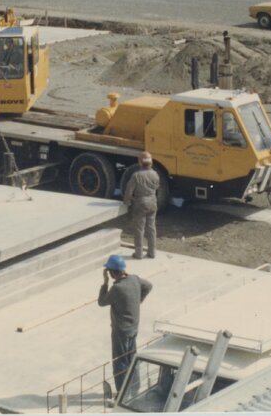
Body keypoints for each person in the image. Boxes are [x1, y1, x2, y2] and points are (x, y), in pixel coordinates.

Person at [98, 254, 152, 394]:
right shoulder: (134, 279)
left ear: (112, 273)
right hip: (133, 327)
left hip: (121, 331)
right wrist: (139, 300)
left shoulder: (117, 288)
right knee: (132, 358)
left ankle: (122, 394)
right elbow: (148, 285)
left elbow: (102, 302)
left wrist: (105, 283)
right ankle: (134, 388)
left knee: (120, 362)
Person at [122, 151, 159, 259]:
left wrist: (127, 202)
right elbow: (156, 187)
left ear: (140, 162)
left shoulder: (136, 175)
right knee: (151, 227)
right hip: (153, 202)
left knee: (139, 229)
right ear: (151, 163)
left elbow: (129, 191)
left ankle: (138, 253)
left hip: (140, 203)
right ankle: (152, 252)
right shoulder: (155, 174)